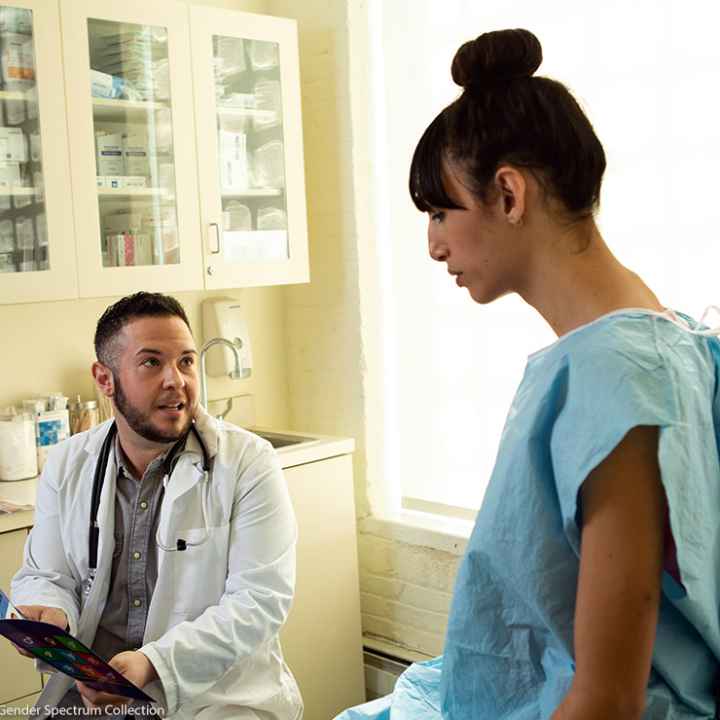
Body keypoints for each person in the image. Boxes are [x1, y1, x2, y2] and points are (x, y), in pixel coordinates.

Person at [336, 28, 720, 720]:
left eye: (439, 211)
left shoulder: (612, 376)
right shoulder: (668, 342)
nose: (432, 244)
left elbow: (606, 699)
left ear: (509, 195)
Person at [10, 292, 302, 719]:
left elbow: (259, 602)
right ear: (105, 379)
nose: (176, 380)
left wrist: (153, 665)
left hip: (213, 700)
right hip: (93, 699)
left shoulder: (248, 463)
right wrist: (48, 613)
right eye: (152, 362)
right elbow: (46, 573)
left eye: (185, 361)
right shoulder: (68, 462)